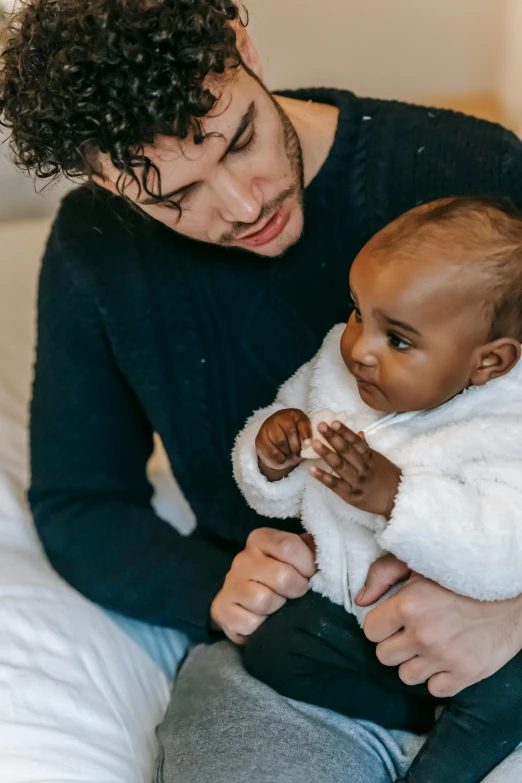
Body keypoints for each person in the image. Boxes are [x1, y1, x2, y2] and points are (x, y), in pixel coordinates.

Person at [2, 1, 522, 780]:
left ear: (242, 46)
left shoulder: (466, 168)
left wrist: (512, 613)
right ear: (103, 178)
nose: (245, 206)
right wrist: (220, 588)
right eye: (175, 196)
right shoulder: (94, 255)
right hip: (296, 658)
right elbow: (82, 503)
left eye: (240, 138)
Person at [234, 195, 522, 783]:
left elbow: (502, 552)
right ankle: (417, 715)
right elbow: (287, 484)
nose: (360, 347)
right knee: (274, 647)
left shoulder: (505, 425)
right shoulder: (338, 370)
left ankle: (452, 740)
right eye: (359, 311)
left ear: (488, 363)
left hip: (481, 646)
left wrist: (397, 497)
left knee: (498, 702)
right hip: (362, 617)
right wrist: (271, 453)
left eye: (399, 340)